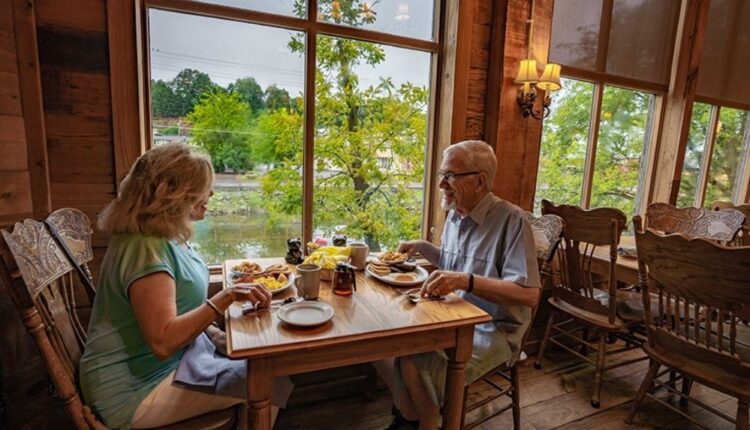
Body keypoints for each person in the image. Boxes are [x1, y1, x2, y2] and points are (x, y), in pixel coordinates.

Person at [79, 143, 285, 429]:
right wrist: (225, 298)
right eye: (203, 188)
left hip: (168, 366)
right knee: (269, 382)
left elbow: (181, 310)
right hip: (132, 390)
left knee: (264, 366)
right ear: (173, 194)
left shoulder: (163, 237)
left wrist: (219, 338)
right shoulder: (144, 248)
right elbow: (163, 342)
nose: (210, 194)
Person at [378, 140, 541, 430]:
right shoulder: (455, 214)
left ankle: (425, 421)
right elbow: (456, 266)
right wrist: (425, 247)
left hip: (494, 328)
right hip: (454, 315)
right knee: (390, 344)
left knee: (413, 359)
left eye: (451, 175)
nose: (441, 183)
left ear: (480, 180)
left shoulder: (512, 221)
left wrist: (465, 281)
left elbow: (529, 295)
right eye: (442, 174)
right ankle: (415, 417)